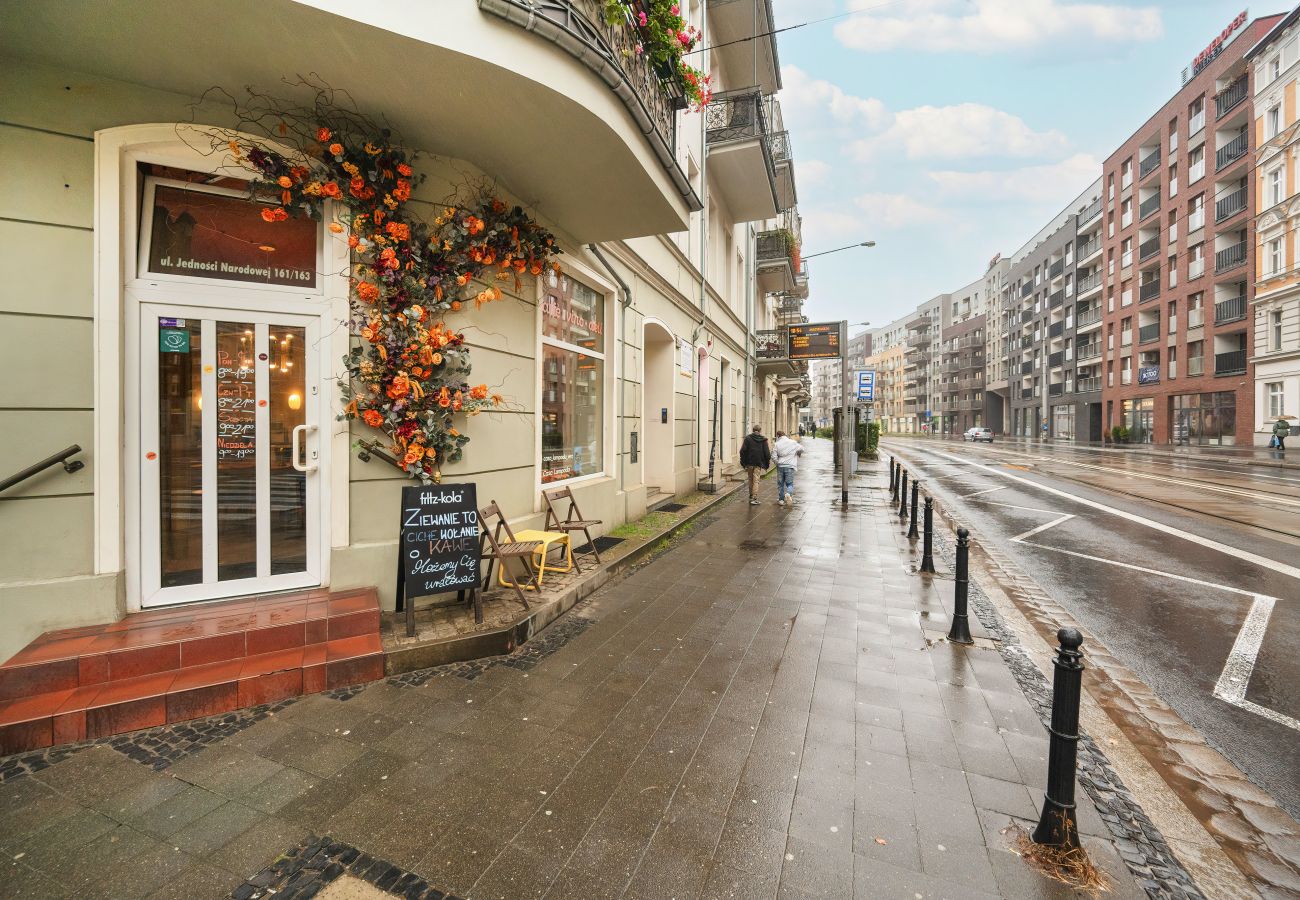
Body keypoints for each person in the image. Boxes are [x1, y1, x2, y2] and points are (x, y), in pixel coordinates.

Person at [739, 424, 771, 505]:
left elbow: (742, 451)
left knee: (750, 479)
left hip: (749, 463)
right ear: (760, 431)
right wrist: (767, 462)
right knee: (756, 480)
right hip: (758, 463)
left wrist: (743, 461)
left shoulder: (748, 438)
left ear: (753, 430)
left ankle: (750, 495)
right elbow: (767, 454)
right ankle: (754, 497)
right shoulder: (764, 440)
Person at [772, 430, 803, 507]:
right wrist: (797, 453)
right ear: (785, 435)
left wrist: (777, 462)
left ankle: (781, 500)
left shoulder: (777, 444)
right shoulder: (792, 442)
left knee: (780, 484)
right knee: (789, 483)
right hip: (790, 466)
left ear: (778, 436)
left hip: (780, 466)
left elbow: (773, 456)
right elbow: (802, 448)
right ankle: (788, 494)